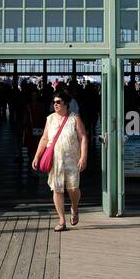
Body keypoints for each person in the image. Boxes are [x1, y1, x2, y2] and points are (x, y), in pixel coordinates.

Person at [32, 88, 88, 232]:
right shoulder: (50, 119)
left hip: (72, 160)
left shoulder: (74, 118)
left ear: (66, 104)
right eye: (54, 102)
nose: (55, 104)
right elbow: (45, 139)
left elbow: (83, 138)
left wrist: (83, 156)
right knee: (57, 190)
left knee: (73, 188)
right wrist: (37, 156)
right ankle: (62, 220)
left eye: (58, 102)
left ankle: (74, 208)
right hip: (55, 161)